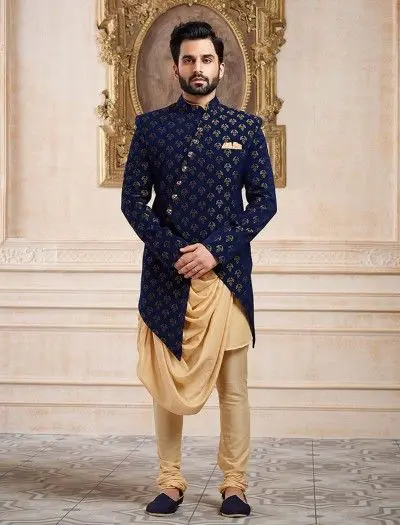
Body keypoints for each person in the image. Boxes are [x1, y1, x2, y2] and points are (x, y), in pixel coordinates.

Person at [121, 20, 277, 518]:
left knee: (234, 387)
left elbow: (263, 204)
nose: (197, 68)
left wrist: (213, 251)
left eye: (206, 60)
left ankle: (235, 483)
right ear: (175, 67)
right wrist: (175, 253)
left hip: (225, 278)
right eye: (188, 60)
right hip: (167, 276)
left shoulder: (245, 129)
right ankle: (169, 480)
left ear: (221, 66)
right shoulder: (151, 128)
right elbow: (133, 203)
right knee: (167, 386)